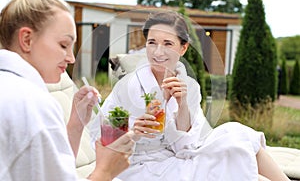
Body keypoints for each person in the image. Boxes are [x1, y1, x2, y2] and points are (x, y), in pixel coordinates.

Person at [92, 11, 290, 181]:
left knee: (236, 135)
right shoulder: (128, 86)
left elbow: (187, 146)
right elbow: (102, 140)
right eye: (152, 43)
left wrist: (182, 104)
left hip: (178, 159)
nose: (158, 51)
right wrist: (134, 133)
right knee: (247, 173)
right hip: (139, 168)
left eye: (168, 43)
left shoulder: (189, 87)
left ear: (183, 48)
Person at [0, 0, 135, 180]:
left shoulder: (11, 90)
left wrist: (76, 123)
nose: (71, 58)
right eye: (64, 45)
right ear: (27, 39)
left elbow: (50, 171)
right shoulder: (32, 104)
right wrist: (106, 171)